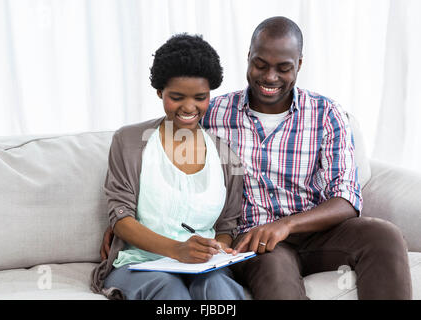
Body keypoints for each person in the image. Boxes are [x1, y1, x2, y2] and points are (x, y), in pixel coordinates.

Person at [99, 17, 412, 300]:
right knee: (275, 278)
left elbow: (346, 197)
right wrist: (124, 223)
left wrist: (286, 225)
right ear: (247, 58)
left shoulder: (325, 114)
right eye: (260, 64)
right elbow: (165, 143)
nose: (270, 76)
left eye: (283, 67)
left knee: (383, 235)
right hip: (256, 242)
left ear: (299, 64)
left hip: (317, 231)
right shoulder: (213, 111)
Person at [90, 34, 245, 300]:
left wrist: (214, 249)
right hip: (141, 264)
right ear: (160, 91)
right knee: (171, 294)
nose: (189, 107)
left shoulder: (225, 155)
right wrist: (176, 250)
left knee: (220, 292)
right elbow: (120, 217)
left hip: (202, 268)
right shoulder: (128, 142)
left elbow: (227, 226)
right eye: (177, 97)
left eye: (200, 97)